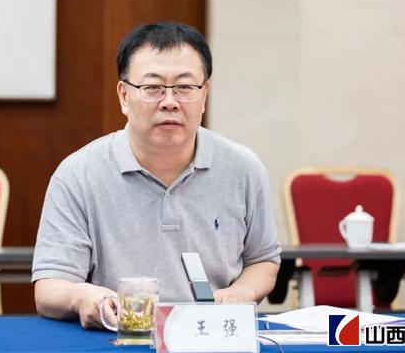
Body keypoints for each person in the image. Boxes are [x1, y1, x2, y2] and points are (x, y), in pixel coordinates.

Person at [32, 21, 281, 329]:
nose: (169, 102)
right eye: (153, 88)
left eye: (185, 87)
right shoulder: (78, 174)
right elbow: (49, 287)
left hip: (211, 337)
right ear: (124, 96)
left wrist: (242, 292)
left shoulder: (243, 168)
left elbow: (263, 260)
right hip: (118, 337)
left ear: (205, 94)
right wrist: (82, 296)